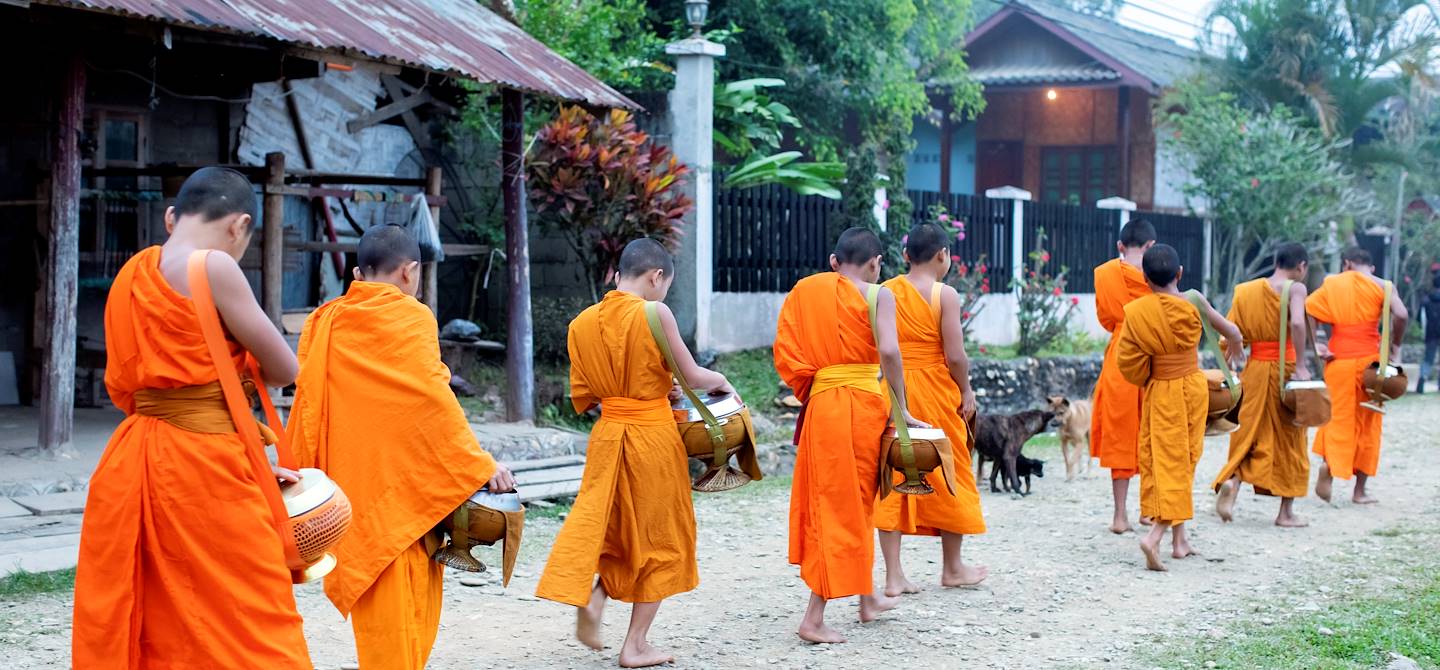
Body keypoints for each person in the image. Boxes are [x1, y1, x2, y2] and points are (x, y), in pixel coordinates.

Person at [73, 167, 312, 667]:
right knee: (251, 611)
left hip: (134, 456)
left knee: (159, 613)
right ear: (239, 225)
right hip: (203, 464)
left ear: (170, 217)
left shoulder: (134, 272)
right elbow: (284, 369)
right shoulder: (215, 267)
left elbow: (132, 382)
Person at [286, 224, 516, 669]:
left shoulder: (325, 321)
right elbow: (432, 402)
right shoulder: (411, 317)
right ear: (411, 272)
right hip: (409, 487)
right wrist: (478, 463)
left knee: (385, 617)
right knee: (408, 614)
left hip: (354, 487)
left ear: (357, 272)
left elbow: (310, 403)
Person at [536, 238, 733, 668]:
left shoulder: (582, 323)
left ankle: (597, 599)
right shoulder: (654, 312)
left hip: (608, 437)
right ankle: (636, 644)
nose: (663, 294)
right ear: (655, 277)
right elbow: (693, 373)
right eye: (664, 285)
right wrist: (723, 382)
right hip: (650, 438)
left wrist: (659, 386)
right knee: (662, 536)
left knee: (618, 530)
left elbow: (591, 396)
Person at [773, 227, 925, 644]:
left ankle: (867, 597)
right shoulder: (879, 295)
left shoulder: (806, 290)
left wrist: (816, 383)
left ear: (834, 261)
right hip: (859, 405)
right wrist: (902, 406)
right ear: (877, 264)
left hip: (822, 405)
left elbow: (786, 350)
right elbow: (891, 353)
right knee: (844, 506)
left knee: (849, 500)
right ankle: (813, 618)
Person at [873, 223, 988, 596]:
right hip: (937, 391)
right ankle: (952, 567)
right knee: (950, 468)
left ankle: (893, 576)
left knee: (895, 471)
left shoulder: (885, 291)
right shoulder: (945, 294)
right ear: (943, 255)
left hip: (894, 390)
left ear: (906, 255)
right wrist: (966, 389)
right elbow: (956, 355)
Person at [1115, 244, 1244, 571]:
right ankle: (1158, 536)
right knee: (1182, 460)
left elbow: (1127, 363)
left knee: (1166, 460)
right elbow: (1233, 332)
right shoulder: (1195, 300)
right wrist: (1232, 352)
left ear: (1144, 278)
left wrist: (1150, 371)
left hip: (1160, 391)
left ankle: (1177, 539)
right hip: (1193, 387)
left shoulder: (1139, 310)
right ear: (1180, 273)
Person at [1212, 242, 1314, 527]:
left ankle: (1233, 482)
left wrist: (1229, 364)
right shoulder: (1295, 288)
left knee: (1247, 432)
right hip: (1287, 368)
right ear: (1301, 266)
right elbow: (1296, 323)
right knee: (1291, 438)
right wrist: (1303, 365)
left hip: (1255, 370)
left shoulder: (1246, 291)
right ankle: (1286, 513)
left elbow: (1230, 333)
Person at [1306, 247, 1408, 505]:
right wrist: (1395, 346)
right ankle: (1359, 491)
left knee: (1336, 417)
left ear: (1347, 264)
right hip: (1370, 364)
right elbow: (1402, 314)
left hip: (1338, 359)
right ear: (1370, 267)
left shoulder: (1333, 283)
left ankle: (1329, 466)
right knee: (1369, 423)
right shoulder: (1383, 285)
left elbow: (1308, 310)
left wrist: (1317, 343)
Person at [1089, 220, 1157, 534]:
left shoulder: (1104, 274)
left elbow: (1105, 318)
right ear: (1151, 246)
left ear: (1120, 246)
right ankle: (1151, 510)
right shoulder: (1157, 271)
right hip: (1154, 355)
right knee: (1154, 430)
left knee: (1121, 432)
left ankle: (1120, 516)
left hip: (1120, 355)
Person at [1418, 268, 1440, 394]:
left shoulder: (1426, 300)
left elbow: (1421, 319)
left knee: (1428, 359)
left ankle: (1422, 378)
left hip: (1430, 334)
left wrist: (1423, 331)